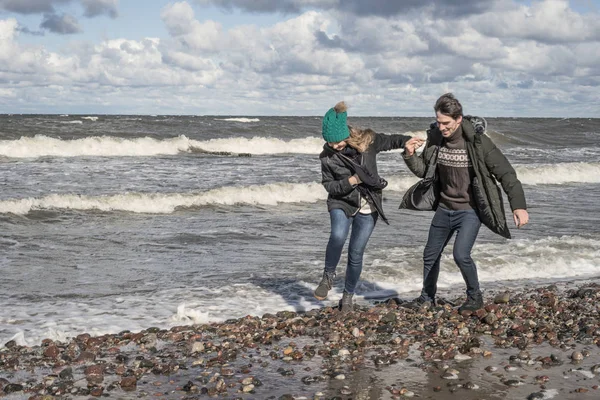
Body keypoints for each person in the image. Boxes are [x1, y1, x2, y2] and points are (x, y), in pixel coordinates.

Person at [400, 93, 529, 313]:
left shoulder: (478, 142)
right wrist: (410, 155)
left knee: (461, 254)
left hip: (469, 211)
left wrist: (518, 206)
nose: (441, 127)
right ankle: (426, 297)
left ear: (459, 119)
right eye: (439, 122)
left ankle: (474, 297)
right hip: (444, 208)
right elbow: (424, 172)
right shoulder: (436, 139)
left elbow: (506, 173)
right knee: (430, 254)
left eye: (446, 123)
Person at [314, 101, 421, 313]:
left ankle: (347, 298)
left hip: (368, 204)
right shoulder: (327, 157)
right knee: (337, 236)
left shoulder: (368, 142)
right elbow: (329, 185)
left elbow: (390, 140)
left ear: (346, 133)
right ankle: (328, 276)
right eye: (330, 143)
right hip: (341, 201)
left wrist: (407, 141)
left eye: (337, 142)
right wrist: (351, 182)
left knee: (356, 253)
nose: (334, 146)